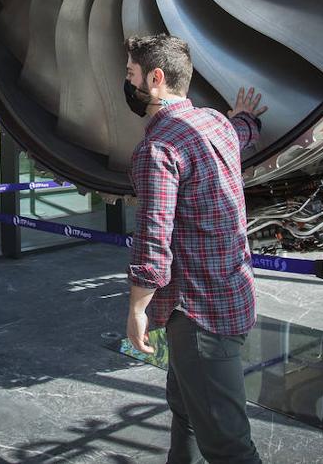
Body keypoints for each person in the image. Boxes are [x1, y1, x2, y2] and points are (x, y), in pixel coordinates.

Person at [121, 34, 267, 464]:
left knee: (229, 445)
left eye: (130, 74)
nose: (125, 82)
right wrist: (246, 117)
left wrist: (136, 310)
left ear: (155, 79)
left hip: (200, 314)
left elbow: (153, 242)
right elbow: (243, 131)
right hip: (233, 298)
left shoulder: (157, 148)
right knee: (184, 409)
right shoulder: (215, 123)